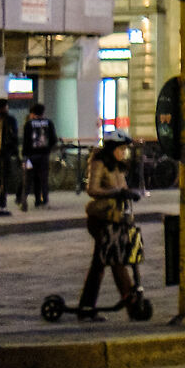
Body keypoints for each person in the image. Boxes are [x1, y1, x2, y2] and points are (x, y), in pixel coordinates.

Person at [77, 134, 143, 320]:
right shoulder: (99, 163)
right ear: (111, 148)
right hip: (100, 218)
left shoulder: (118, 166)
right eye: (120, 149)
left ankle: (86, 307)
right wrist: (116, 192)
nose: (123, 153)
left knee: (102, 262)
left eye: (125, 149)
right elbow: (92, 189)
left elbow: (123, 188)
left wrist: (129, 194)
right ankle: (132, 306)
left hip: (116, 218)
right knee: (115, 260)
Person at [21, 101, 58, 208]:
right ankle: (43, 200)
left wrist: (24, 156)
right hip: (44, 155)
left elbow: (25, 141)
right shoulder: (49, 123)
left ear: (33, 113)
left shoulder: (28, 124)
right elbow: (53, 139)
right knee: (43, 179)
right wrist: (48, 149)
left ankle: (24, 200)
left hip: (30, 156)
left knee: (28, 179)